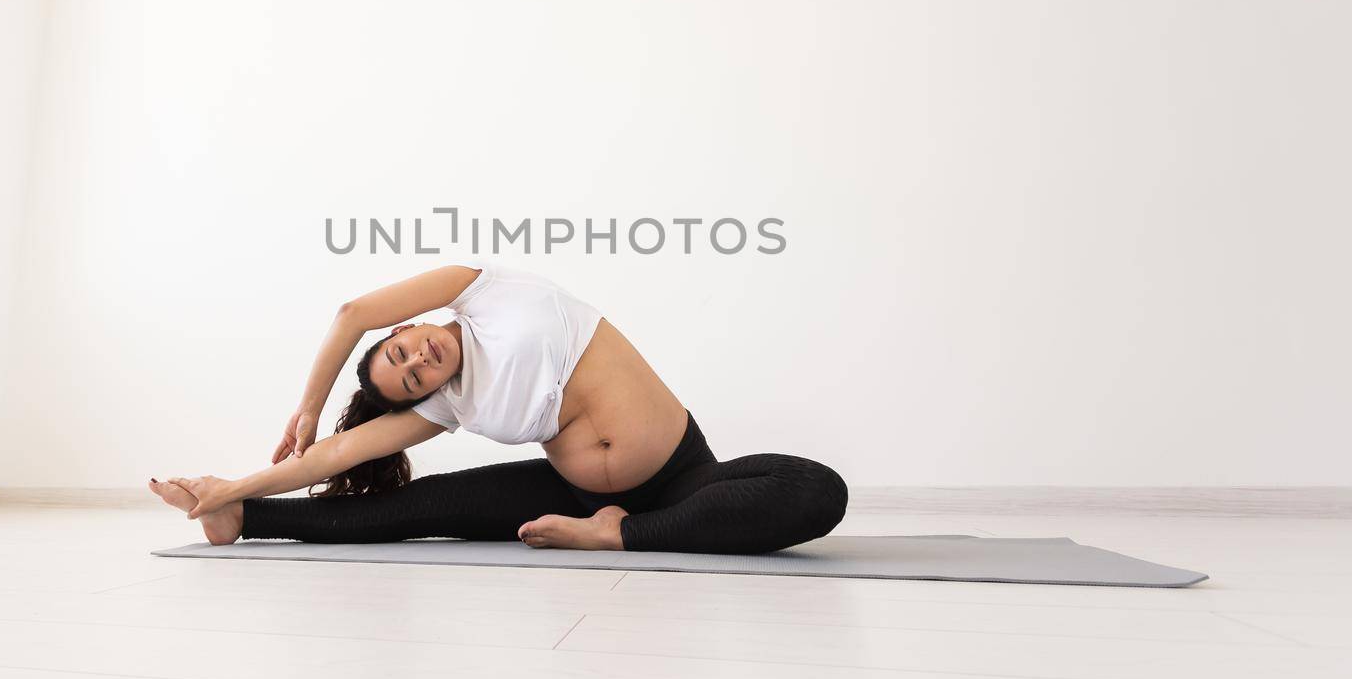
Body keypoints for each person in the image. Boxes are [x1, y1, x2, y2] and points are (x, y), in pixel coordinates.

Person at [150, 264, 847, 553]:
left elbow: (350, 311)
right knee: (415, 507)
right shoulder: (450, 401)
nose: (418, 363)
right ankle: (245, 518)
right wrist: (235, 486)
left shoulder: (483, 289)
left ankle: (621, 534)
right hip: (571, 491)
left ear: (402, 329)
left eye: (403, 353)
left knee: (817, 490)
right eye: (410, 380)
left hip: (680, 474)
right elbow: (338, 455)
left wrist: (305, 408)